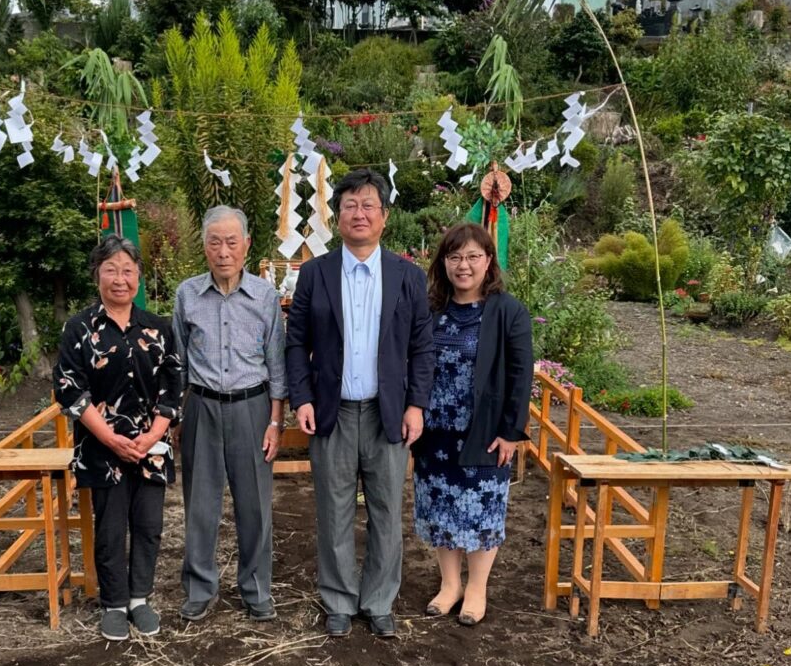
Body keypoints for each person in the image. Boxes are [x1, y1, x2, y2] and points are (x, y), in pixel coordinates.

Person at [286, 169, 435, 639]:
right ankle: (338, 598)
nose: (359, 213)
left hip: (385, 411)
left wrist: (417, 406)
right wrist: (302, 397)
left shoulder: (407, 277)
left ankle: (379, 599)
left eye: (369, 205)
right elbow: (296, 342)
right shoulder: (315, 273)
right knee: (333, 509)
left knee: (388, 508)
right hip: (332, 411)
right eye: (350, 205)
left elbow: (422, 347)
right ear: (338, 216)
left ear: (384, 218)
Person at [53, 235, 182, 641]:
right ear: (97, 276)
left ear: (139, 276)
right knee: (109, 528)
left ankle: (139, 599)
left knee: (148, 525)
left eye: (128, 270)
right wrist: (110, 438)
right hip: (100, 447)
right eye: (111, 269)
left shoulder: (158, 328)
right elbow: (70, 390)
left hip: (151, 448)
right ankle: (113, 603)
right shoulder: (79, 329)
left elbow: (173, 386)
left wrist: (151, 436)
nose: (120, 278)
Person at [412, 222, 533, 626]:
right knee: (441, 509)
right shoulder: (430, 309)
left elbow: (520, 375)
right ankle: (450, 585)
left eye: (472, 257)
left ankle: (477, 588)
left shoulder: (508, 311)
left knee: (482, 512)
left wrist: (511, 431)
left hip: (484, 430)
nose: (463, 265)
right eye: (454, 256)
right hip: (435, 432)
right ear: (443, 262)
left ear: (487, 262)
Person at [172, 206, 287, 623]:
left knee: (254, 504)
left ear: (246, 245)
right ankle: (200, 587)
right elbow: (178, 363)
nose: (223, 251)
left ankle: (256, 589)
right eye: (215, 242)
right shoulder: (187, 294)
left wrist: (276, 422)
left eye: (231, 242)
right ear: (204, 246)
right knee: (200, 505)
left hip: (252, 408)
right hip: (201, 406)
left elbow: (277, 366)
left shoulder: (265, 297)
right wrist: (177, 419)